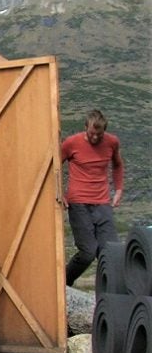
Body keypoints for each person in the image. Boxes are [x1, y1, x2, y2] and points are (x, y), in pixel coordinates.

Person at [61, 109, 125, 287]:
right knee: (88, 252)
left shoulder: (112, 142)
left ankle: (108, 293)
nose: (95, 138)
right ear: (85, 128)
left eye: (99, 134)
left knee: (111, 252)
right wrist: (58, 192)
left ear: (104, 131)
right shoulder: (71, 143)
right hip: (78, 203)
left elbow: (118, 165)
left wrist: (119, 189)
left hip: (103, 202)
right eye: (91, 134)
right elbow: (53, 167)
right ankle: (64, 282)